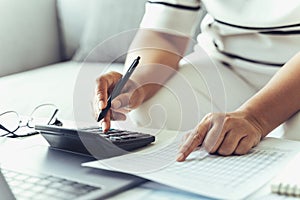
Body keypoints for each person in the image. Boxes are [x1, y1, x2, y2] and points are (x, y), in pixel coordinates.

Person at [94, 0, 300, 162]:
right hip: (226, 66)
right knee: (153, 106)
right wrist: (136, 84)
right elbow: (165, 35)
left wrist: (256, 118)